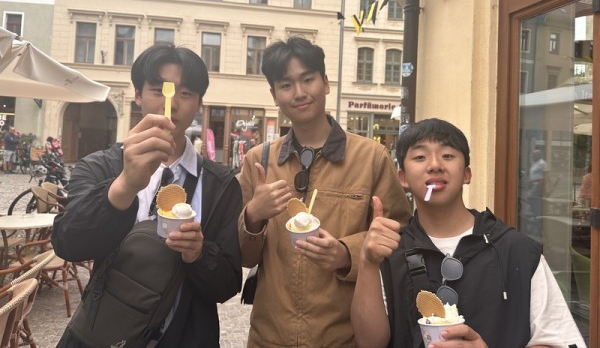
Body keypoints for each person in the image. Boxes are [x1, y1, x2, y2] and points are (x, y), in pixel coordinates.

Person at [52, 43, 242, 347]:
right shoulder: (101, 166)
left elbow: (228, 285)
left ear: (199, 104)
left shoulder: (220, 185)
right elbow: (69, 243)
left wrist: (198, 254)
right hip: (107, 334)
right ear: (138, 95)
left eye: (185, 93)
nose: (172, 104)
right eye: (159, 90)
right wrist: (125, 185)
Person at [351, 118, 586, 348]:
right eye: (420, 157)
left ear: (466, 174)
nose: (435, 165)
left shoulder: (516, 251)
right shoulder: (389, 252)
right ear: (402, 178)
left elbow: (560, 341)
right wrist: (367, 262)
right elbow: (369, 343)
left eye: (447, 155)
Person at [238, 37, 411, 347]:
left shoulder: (371, 158)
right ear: (274, 95)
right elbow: (243, 256)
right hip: (269, 338)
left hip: (342, 338)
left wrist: (346, 253)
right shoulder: (258, 161)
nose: (299, 92)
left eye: (308, 79)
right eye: (286, 85)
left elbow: (401, 236)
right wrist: (253, 216)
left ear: (326, 83)